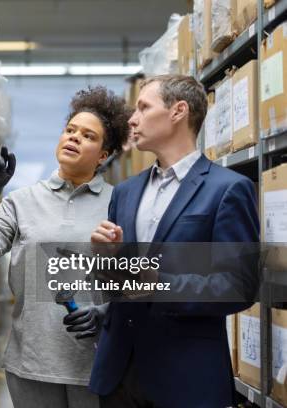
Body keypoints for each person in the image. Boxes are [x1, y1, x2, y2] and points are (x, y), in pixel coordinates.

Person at [67, 75, 259, 408]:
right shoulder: (126, 192)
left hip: (185, 377)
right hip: (119, 376)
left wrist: (158, 283)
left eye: (143, 107)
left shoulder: (228, 189)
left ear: (178, 111)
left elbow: (238, 286)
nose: (132, 119)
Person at [0, 86, 131, 408]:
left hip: (97, 364)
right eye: (70, 130)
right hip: (32, 365)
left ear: (104, 156)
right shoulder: (22, 201)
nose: (74, 137)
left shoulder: (120, 202)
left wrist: (108, 311)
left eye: (88, 136)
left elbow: (139, 280)